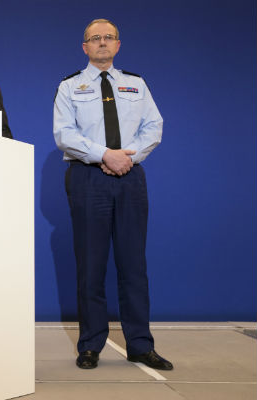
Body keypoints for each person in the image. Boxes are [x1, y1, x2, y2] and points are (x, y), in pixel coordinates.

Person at [53, 18, 172, 371]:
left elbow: (155, 126)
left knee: (134, 265)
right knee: (91, 265)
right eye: (95, 38)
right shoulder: (69, 87)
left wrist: (127, 155)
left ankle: (140, 344)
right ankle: (90, 344)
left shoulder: (136, 84)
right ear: (84, 47)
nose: (102, 43)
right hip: (88, 178)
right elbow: (64, 133)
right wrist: (104, 154)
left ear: (118, 45)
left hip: (130, 177)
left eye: (109, 37)